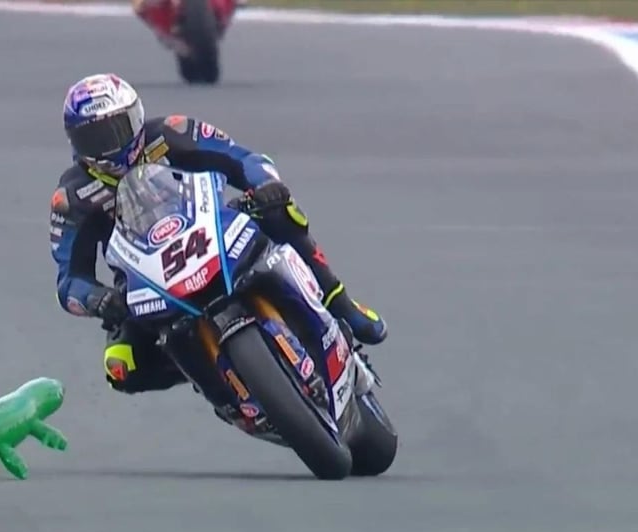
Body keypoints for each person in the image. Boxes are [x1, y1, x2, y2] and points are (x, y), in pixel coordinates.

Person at [48, 73, 387, 422]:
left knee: (280, 210)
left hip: (216, 233)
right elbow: (69, 280)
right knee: (121, 366)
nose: (110, 144)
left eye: (118, 128)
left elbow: (243, 159)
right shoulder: (72, 197)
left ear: (136, 117)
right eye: (95, 137)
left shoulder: (171, 133)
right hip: (146, 282)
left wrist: (266, 185)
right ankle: (212, 376)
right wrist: (98, 299)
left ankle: (339, 303)